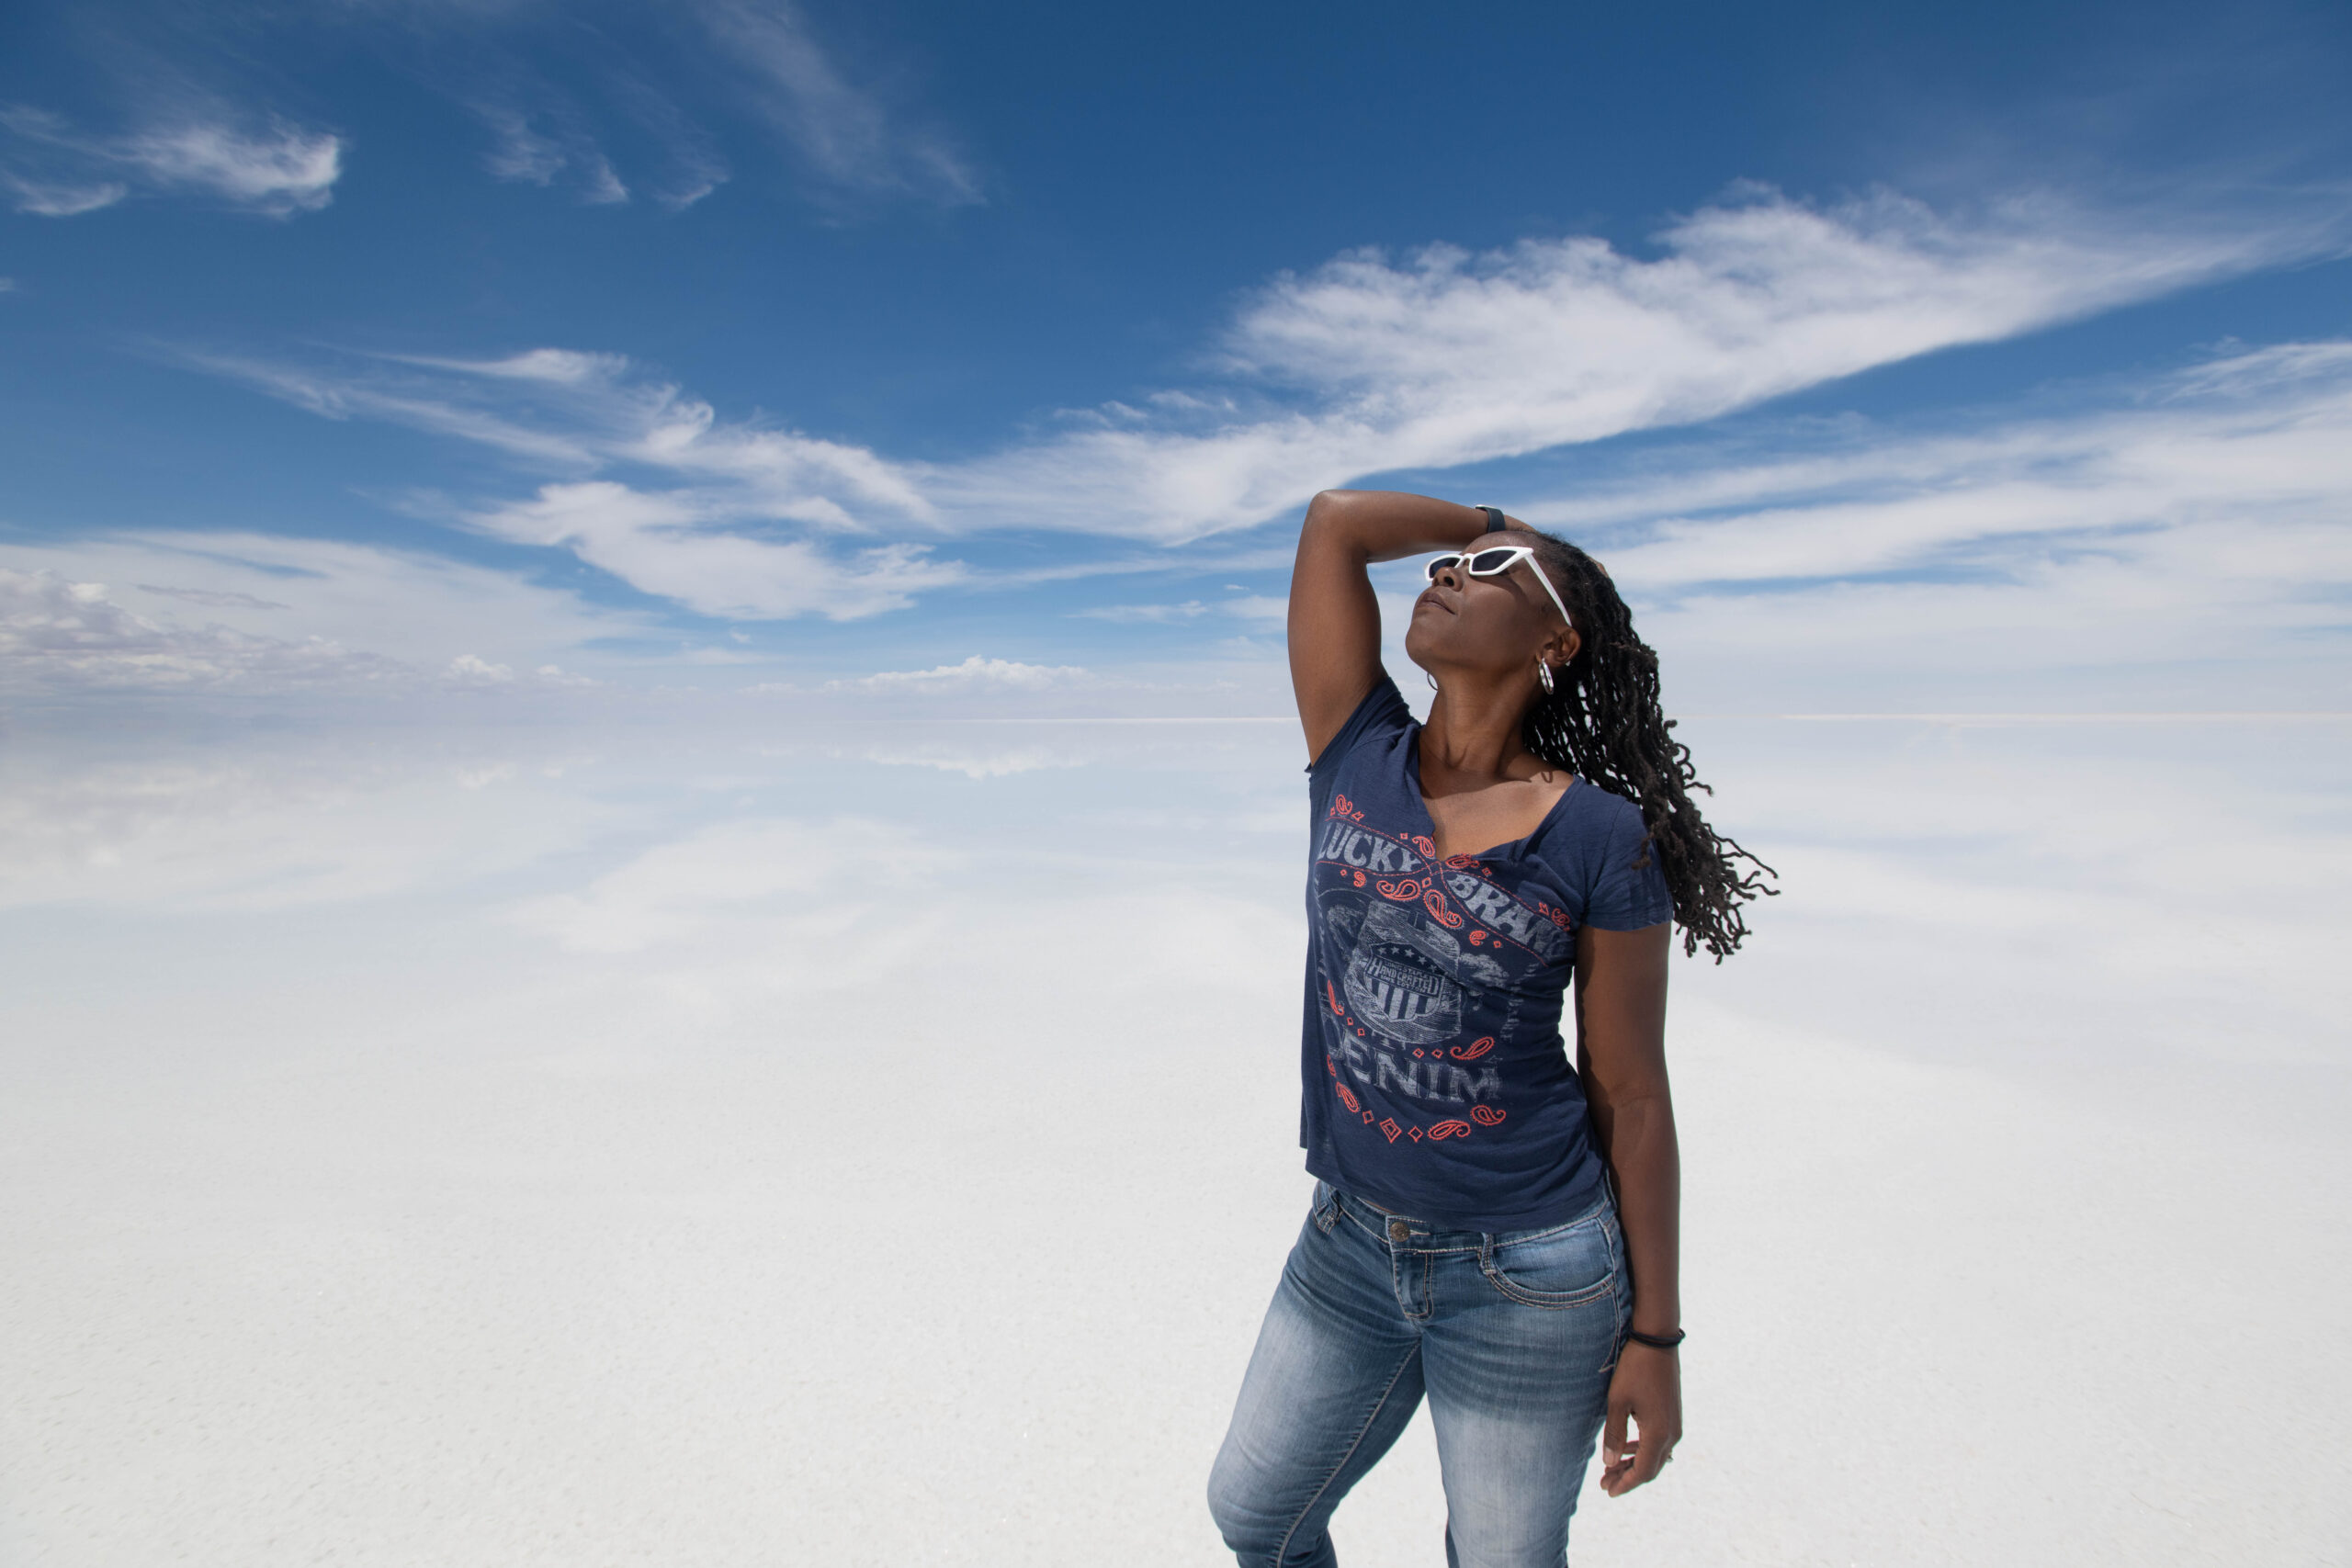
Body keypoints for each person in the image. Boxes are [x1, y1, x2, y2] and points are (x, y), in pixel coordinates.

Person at [1206, 491, 1773, 1568]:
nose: (1448, 574)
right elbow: (1335, 523)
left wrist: (1655, 1337)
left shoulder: (1599, 834)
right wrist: (1484, 518)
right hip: (1349, 1243)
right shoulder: (1354, 745)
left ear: (1556, 645)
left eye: (1495, 567)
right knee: (1256, 1516)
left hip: (1532, 1273)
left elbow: (1632, 1092)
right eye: (1446, 564)